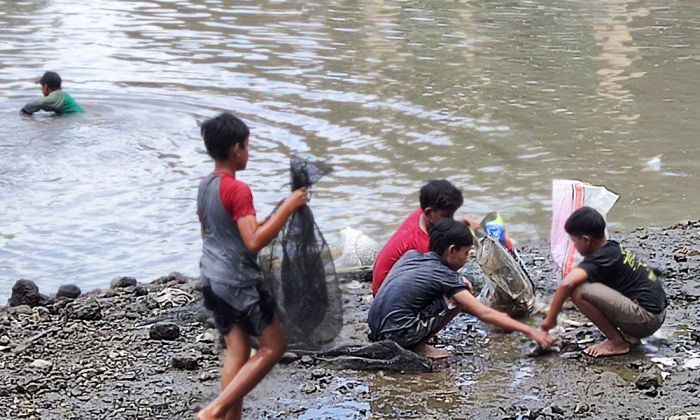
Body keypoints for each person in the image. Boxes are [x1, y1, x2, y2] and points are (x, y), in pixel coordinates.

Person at [195, 112, 308, 420]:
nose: (248, 152)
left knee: (238, 351)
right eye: (247, 146)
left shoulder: (206, 185)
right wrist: (288, 206)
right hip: (238, 282)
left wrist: (266, 219)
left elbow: (211, 232)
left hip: (211, 277)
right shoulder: (237, 189)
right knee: (274, 345)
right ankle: (214, 411)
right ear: (236, 149)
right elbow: (254, 242)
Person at [368, 219, 554, 359]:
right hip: (397, 335)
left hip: (376, 328)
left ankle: (412, 337)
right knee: (460, 289)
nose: (466, 259)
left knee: (458, 291)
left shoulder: (412, 256)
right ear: (451, 250)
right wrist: (531, 331)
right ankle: (417, 345)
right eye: (465, 253)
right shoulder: (444, 275)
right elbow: (483, 313)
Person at [540, 207, 668, 357]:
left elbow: (566, 284)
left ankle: (617, 343)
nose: (574, 246)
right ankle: (629, 335)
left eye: (574, 241)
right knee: (585, 285)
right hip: (657, 313)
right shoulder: (612, 248)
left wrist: (550, 320)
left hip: (647, 319)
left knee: (577, 290)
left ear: (586, 240)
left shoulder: (600, 259)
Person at [372, 179, 475, 296]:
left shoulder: (420, 215)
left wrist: (459, 224)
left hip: (391, 282)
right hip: (386, 294)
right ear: (429, 213)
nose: (451, 220)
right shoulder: (421, 246)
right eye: (447, 216)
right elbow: (440, 277)